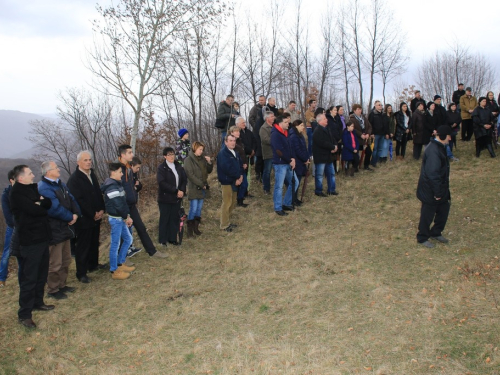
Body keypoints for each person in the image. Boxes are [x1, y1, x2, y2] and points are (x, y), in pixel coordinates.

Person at [10, 165, 54, 328]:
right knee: (29, 277)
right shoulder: (16, 193)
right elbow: (35, 211)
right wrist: (39, 205)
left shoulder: (33, 188)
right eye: (30, 173)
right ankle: (24, 314)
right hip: (30, 241)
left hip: (42, 237)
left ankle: (38, 302)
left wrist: (39, 203)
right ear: (21, 178)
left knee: (41, 274)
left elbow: (47, 204)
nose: (33, 175)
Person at [37, 161, 80, 300]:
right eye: (56, 168)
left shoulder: (60, 184)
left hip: (65, 229)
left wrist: (76, 213)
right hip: (54, 230)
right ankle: (53, 289)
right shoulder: (44, 187)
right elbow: (53, 208)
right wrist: (69, 217)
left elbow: (72, 199)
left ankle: (62, 285)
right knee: (55, 263)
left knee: (66, 260)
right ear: (48, 172)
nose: (59, 170)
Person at [118, 145, 167, 258]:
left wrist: (136, 189)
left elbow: (130, 186)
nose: (132, 154)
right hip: (123, 206)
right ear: (123, 155)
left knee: (141, 228)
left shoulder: (129, 169)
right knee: (122, 233)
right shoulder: (119, 169)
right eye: (130, 152)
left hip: (131, 205)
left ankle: (152, 252)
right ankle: (122, 259)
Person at [66, 151, 106, 284]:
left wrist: (101, 209)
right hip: (84, 218)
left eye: (89, 160)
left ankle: (93, 264)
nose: (88, 162)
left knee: (94, 242)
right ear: (78, 162)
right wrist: (92, 213)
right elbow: (78, 200)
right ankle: (81, 273)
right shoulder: (74, 179)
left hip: (96, 215)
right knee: (83, 246)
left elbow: (97, 193)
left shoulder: (91, 174)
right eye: (85, 160)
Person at [416, 126, 452, 248]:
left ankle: (436, 232)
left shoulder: (440, 147)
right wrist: (437, 193)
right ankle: (422, 237)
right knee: (427, 214)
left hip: (440, 188)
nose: (450, 138)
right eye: (449, 135)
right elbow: (433, 174)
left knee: (444, 209)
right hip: (430, 190)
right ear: (442, 136)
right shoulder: (433, 151)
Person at [101, 163, 135, 280]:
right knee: (115, 244)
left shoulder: (117, 184)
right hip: (116, 219)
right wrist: (126, 217)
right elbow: (118, 205)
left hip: (121, 218)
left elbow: (123, 202)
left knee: (128, 239)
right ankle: (114, 269)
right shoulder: (111, 186)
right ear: (113, 172)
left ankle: (120, 263)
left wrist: (127, 215)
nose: (121, 174)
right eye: (120, 172)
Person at [157, 147, 187, 244]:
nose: (171, 156)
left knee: (174, 218)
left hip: (176, 198)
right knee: (165, 219)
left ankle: (172, 238)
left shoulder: (178, 166)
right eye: (169, 154)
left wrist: (182, 190)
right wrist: (175, 190)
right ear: (165, 156)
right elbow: (162, 183)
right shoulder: (162, 168)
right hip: (165, 198)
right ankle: (163, 240)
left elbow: (183, 179)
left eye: (172, 154)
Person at [183, 141, 213, 237]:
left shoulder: (202, 159)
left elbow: (208, 171)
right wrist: (201, 184)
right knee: (193, 208)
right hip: (194, 187)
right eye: (200, 149)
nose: (201, 151)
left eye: (202, 150)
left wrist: (209, 162)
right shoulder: (188, 160)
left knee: (199, 209)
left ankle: (196, 228)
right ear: (195, 148)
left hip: (203, 187)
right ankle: (189, 231)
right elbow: (190, 175)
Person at [270, 116, 297, 216]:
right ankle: (278, 207)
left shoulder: (286, 133)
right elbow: (278, 151)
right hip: (280, 164)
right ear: (280, 123)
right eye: (286, 122)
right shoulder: (275, 134)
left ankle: (286, 203)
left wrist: (293, 158)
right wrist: (289, 160)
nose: (288, 124)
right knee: (279, 186)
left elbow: (290, 147)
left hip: (288, 162)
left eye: (288, 122)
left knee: (295, 182)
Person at [217, 135, 243, 232]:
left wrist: (240, 176)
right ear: (226, 142)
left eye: (234, 141)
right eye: (230, 140)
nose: (233, 142)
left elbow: (240, 165)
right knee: (227, 202)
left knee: (232, 202)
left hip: (235, 180)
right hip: (227, 181)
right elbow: (227, 168)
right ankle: (224, 225)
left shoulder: (235, 153)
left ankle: (228, 222)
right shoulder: (223, 154)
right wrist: (237, 177)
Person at [312, 113, 338, 196]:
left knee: (331, 173)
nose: (326, 120)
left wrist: (335, 146)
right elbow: (322, 143)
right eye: (324, 119)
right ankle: (318, 191)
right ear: (319, 121)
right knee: (319, 175)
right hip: (320, 156)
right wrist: (332, 147)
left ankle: (331, 189)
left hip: (328, 156)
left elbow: (332, 139)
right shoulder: (317, 131)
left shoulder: (327, 129)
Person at [288, 120, 310, 206]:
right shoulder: (294, 136)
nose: (303, 127)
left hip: (301, 161)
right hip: (297, 162)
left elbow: (304, 148)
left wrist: (307, 158)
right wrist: (305, 159)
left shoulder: (300, 135)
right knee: (295, 182)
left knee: (298, 181)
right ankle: (292, 200)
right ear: (296, 126)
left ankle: (295, 199)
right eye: (301, 125)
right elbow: (297, 150)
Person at [0, 170, 15, 287]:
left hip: (27, 228)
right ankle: (2, 278)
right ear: (12, 180)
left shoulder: (27, 191)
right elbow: (8, 216)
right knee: (7, 254)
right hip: (13, 228)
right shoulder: (6, 195)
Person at [235, 117, 257, 198]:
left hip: (250, 156)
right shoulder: (237, 134)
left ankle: (246, 192)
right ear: (237, 124)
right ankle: (240, 194)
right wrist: (250, 151)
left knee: (248, 175)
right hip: (242, 157)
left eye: (244, 122)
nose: (244, 124)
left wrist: (253, 150)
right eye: (242, 123)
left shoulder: (249, 132)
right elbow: (242, 146)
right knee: (241, 176)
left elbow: (254, 141)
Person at [348, 104, 373, 171]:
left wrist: (368, 133)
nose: (360, 111)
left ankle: (366, 165)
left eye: (360, 109)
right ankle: (355, 167)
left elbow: (369, 126)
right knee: (356, 153)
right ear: (354, 110)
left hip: (365, 139)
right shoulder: (352, 119)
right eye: (358, 109)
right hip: (357, 139)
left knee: (369, 152)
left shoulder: (364, 118)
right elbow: (353, 129)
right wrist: (360, 134)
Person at [229, 125, 249, 207]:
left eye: (238, 131)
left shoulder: (240, 141)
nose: (238, 133)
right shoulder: (231, 143)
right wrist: (241, 164)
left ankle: (240, 199)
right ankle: (238, 200)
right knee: (241, 184)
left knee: (244, 184)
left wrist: (245, 163)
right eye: (236, 131)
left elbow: (243, 154)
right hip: (237, 167)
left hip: (242, 166)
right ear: (231, 133)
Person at [250, 95, 266, 182]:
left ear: (265, 100)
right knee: (258, 154)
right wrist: (255, 126)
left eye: (262, 100)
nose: (261, 101)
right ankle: (257, 173)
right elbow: (250, 118)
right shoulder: (254, 108)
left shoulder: (267, 108)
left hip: (266, 132)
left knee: (264, 154)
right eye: (259, 100)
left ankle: (263, 173)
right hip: (257, 133)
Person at [369, 100, 390, 167]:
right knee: (375, 149)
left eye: (381, 105)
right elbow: (370, 124)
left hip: (382, 134)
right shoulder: (372, 114)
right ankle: (373, 162)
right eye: (379, 105)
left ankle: (377, 161)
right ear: (375, 106)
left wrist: (387, 133)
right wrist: (371, 133)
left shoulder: (383, 115)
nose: (380, 106)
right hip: (375, 134)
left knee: (380, 149)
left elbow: (386, 125)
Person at [259, 111, 275, 194]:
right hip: (268, 153)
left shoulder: (274, 126)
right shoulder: (263, 128)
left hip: (276, 153)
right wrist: (276, 140)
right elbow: (265, 140)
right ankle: (266, 188)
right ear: (267, 118)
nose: (274, 118)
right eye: (272, 116)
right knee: (267, 171)